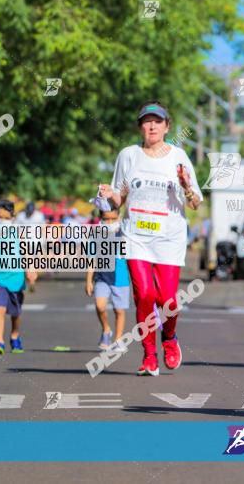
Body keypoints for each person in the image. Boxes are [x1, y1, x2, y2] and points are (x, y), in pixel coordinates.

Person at [98, 100, 203, 376]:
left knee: (168, 300)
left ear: (167, 126)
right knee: (144, 294)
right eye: (147, 121)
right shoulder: (128, 156)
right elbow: (119, 199)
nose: (152, 125)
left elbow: (195, 204)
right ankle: (149, 355)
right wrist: (110, 196)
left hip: (169, 238)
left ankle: (169, 338)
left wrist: (186, 187)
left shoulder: (178, 157)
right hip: (137, 237)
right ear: (140, 127)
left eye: (158, 121)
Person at [0, 200, 37, 354]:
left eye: (6, 219)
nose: (2, 222)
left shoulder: (19, 233)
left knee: (16, 313)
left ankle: (15, 335)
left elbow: (26, 252)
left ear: (13, 218)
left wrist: (30, 268)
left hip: (16, 277)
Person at [85, 207, 130, 351]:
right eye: (106, 219)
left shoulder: (125, 233)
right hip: (102, 276)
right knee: (100, 306)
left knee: (119, 310)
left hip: (121, 277)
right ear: (101, 219)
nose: (110, 222)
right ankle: (106, 329)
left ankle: (118, 340)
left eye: (113, 219)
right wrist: (88, 280)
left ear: (119, 217)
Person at [15, 201, 46, 292]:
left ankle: (31, 279)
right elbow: (17, 229)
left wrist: (44, 241)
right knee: (29, 262)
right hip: (25, 242)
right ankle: (31, 280)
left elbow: (43, 228)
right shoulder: (21, 216)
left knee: (32, 263)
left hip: (37, 242)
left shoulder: (39, 216)